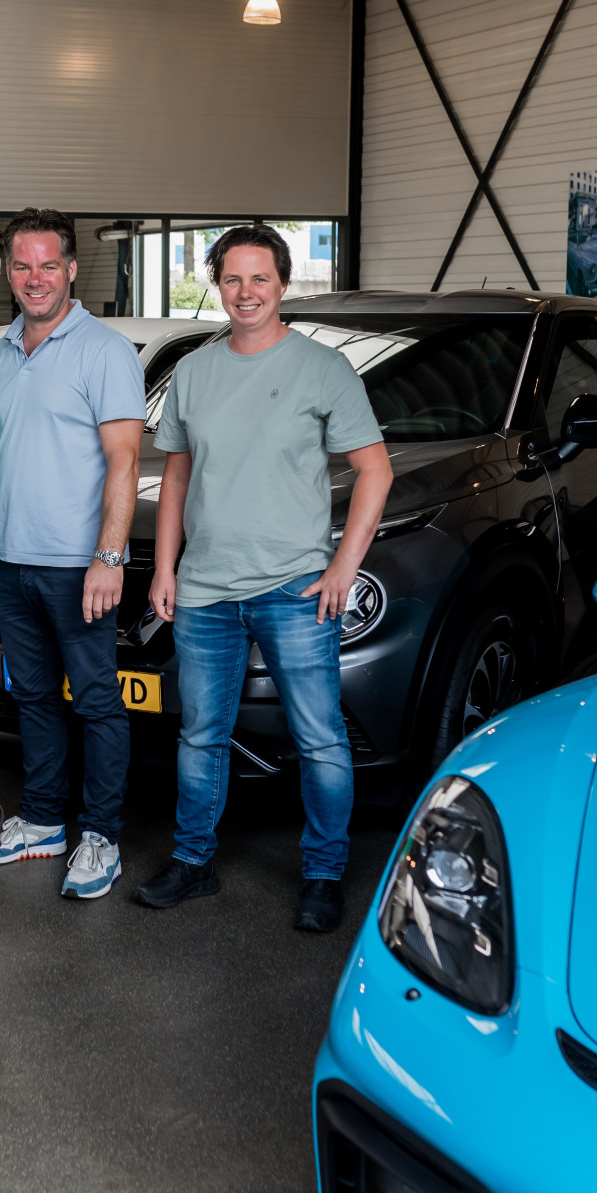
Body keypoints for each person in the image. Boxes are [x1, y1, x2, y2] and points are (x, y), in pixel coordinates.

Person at [132, 224, 395, 932]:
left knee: (320, 739)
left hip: (293, 589)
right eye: (232, 278)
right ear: (217, 284)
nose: (245, 292)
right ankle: (193, 861)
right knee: (200, 736)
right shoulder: (194, 372)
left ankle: (323, 873)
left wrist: (344, 565)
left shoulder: (323, 368)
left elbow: (375, 470)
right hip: (206, 591)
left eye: (259, 278)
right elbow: (177, 476)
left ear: (282, 283)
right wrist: (166, 568)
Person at [0, 208, 146, 899]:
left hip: (79, 564)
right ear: (8, 273)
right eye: (22, 265)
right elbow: (0, 450)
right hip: (14, 562)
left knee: (98, 701)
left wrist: (109, 556)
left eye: (49, 265)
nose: (35, 277)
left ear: (72, 269)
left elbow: (125, 459)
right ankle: (44, 819)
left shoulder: (105, 350)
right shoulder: (3, 352)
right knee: (36, 696)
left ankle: (101, 835)